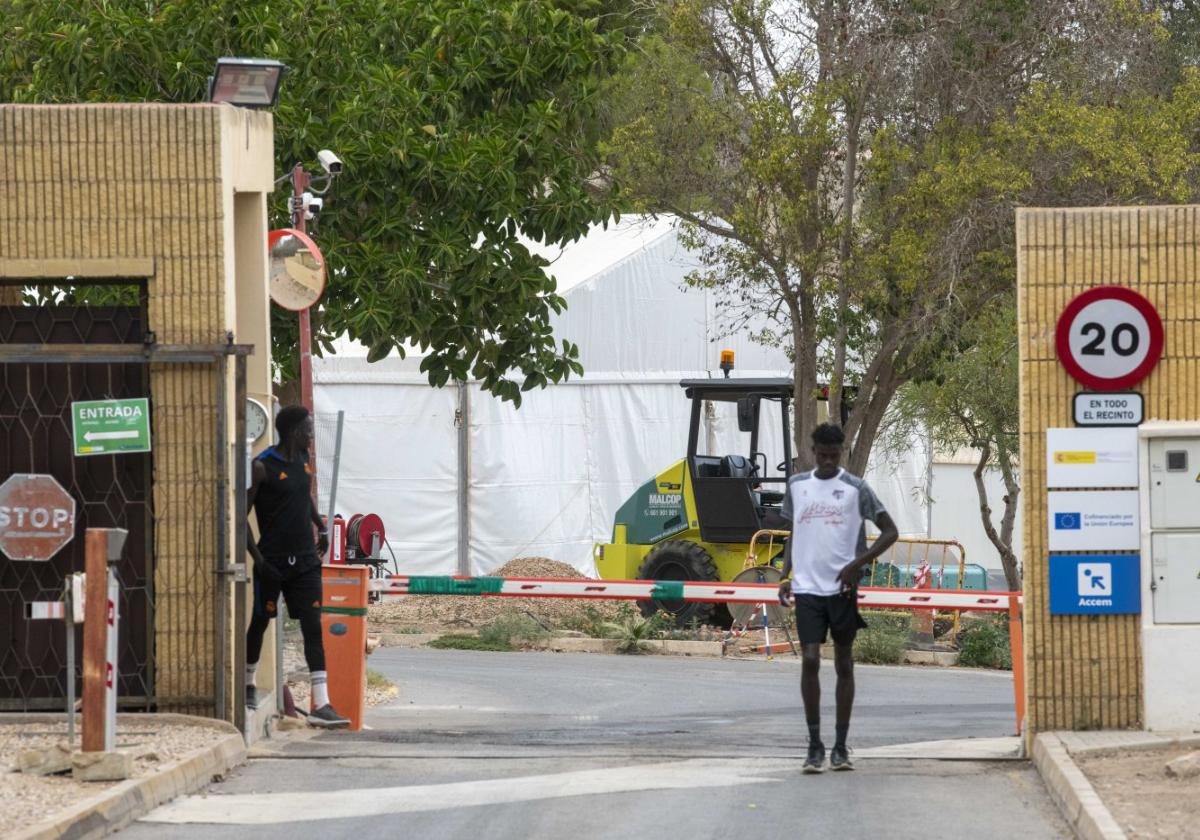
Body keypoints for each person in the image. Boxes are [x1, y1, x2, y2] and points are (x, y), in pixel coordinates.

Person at [776, 422, 898, 772]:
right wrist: (785, 575)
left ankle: (841, 747)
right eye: (822, 455)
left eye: (834, 455)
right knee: (810, 660)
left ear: (840, 454)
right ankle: (814, 745)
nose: (828, 461)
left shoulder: (855, 489)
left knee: (844, 663)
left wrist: (858, 564)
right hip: (807, 588)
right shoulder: (797, 486)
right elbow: (793, 532)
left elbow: (890, 531)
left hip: (842, 589)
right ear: (813, 453)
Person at [244, 405, 349, 728]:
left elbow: (303, 499)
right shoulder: (262, 467)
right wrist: (259, 562)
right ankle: (248, 684)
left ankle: (322, 703)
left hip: (305, 561)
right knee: (261, 621)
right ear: (293, 432)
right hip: (272, 562)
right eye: (308, 429)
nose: (312, 435)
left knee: (313, 627)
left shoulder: (303, 462)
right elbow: (239, 517)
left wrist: (321, 526)